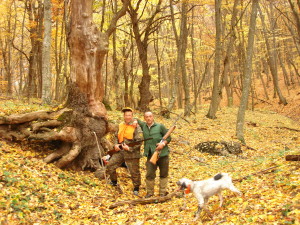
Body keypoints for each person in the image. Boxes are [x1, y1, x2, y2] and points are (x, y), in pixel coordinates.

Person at [106, 107, 143, 195]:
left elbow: (140, 141)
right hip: (120, 151)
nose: (127, 117)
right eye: (126, 115)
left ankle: (136, 188)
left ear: (132, 116)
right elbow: (115, 136)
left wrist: (129, 148)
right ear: (124, 116)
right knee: (110, 165)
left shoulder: (136, 126)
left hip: (132, 153)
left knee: (134, 171)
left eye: (129, 115)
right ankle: (114, 181)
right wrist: (115, 145)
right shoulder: (121, 125)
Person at [137, 111, 171, 197]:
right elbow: (134, 119)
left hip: (163, 154)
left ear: (153, 117)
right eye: (147, 117)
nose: (148, 118)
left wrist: (162, 144)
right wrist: (134, 121)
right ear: (144, 118)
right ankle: (150, 193)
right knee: (149, 174)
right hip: (150, 155)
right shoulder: (143, 125)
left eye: (150, 116)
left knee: (163, 174)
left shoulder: (160, 126)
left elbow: (169, 137)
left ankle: (162, 193)